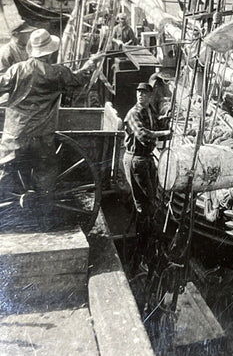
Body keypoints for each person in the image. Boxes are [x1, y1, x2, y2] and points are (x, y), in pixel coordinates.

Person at [0, 29, 100, 196]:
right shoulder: (58, 73)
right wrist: (91, 63)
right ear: (50, 52)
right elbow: (79, 80)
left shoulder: (16, 70)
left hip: (15, 137)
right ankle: (42, 212)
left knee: (5, 176)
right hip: (42, 137)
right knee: (45, 178)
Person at [122, 82, 170, 266]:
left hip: (147, 159)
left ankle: (147, 245)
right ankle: (142, 251)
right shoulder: (133, 113)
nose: (141, 96)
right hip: (136, 160)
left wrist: (165, 120)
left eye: (144, 93)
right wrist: (165, 133)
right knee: (145, 204)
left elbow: (156, 124)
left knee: (150, 201)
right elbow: (143, 135)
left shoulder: (148, 111)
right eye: (139, 93)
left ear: (150, 96)